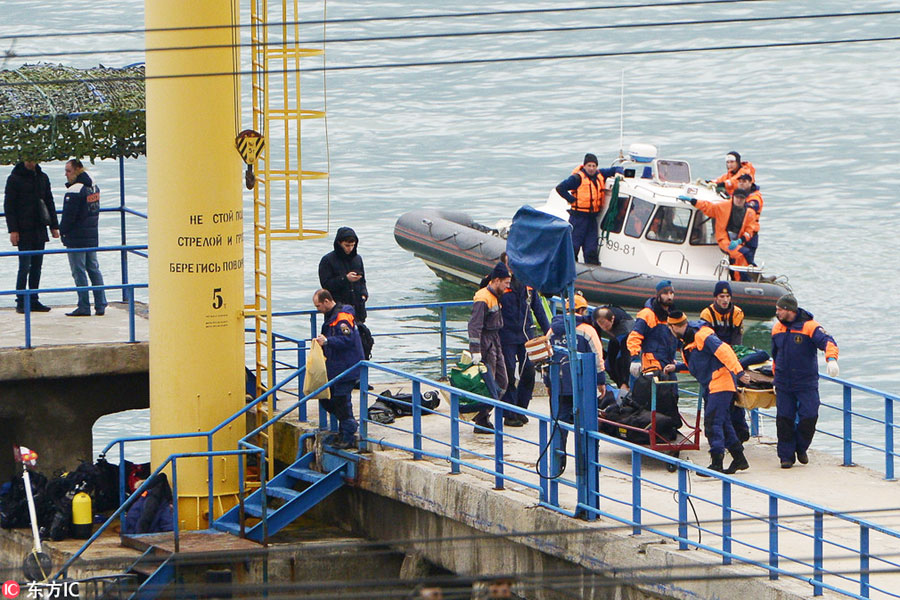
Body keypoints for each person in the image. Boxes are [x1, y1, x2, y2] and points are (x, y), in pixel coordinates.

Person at [669, 311, 751, 474]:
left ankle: (716, 463)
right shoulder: (687, 340)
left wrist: (739, 373)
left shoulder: (702, 335)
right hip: (713, 384)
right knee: (724, 423)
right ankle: (739, 459)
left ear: (673, 327)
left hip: (721, 382)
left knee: (713, 423)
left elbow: (725, 352)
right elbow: (698, 364)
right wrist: (677, 367)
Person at [771, 294, 839, 469]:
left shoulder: (810, 327)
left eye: (779, 309)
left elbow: (828, 342)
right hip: (783, 382)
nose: (776, 312)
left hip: (806, 382)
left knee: (809, 416)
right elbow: (775, 355)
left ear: (789, 310)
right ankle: (786, 457)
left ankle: (801, 447)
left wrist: (831, 359)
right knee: (784, 419)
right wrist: (774, 379)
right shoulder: (777, 328)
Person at [545, 292, 605, 472]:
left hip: (560, 386)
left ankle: (558, 460)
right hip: (583, 386)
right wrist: (600, 381)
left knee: (559, 424)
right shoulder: (587, 330)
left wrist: (549, 382)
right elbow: (597, 357)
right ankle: (588, 462)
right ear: (580, 310)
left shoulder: (552, 330)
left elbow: (546, 358)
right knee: (587, 425)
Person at [498, 254, 551, 427]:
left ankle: (521, 408)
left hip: (527, 334)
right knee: (508, 372)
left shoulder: (529, 283)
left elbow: (538, 309)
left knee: (528, 370)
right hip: (506, 334)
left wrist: (549, 331)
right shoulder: (500, 284)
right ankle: (509, 412)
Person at [4, 159, 59, 313]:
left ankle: (34, 299)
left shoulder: (42, 177)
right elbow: (9, 206)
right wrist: (13, 230)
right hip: (23, 228)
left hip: (39, 227)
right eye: (28, 159)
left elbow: (49, 201)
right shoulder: (14, 178)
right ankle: (21, 300)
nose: (31, 162)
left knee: (37, 266)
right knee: (24, 266)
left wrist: (54, 225)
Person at [313, 288, 364, 450]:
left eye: (318, 306)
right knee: (327, 399)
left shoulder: (342, 318)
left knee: (341, 401)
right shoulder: (331, 317)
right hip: (336, 366)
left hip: (347, 366)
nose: (317, 309)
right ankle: (345, 429)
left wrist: (327, 341)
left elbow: (347, 339)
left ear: (327, 301)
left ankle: (348, 433)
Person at [699, 280, 749, 441]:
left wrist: (734, 363)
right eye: (721, 296)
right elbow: (707, 340)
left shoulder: (737, 313)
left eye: (727, 296)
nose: (725, 300)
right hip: (713, 359)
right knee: (711, 397)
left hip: (731, 357)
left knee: (734, 397)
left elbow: (737, 341)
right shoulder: (706, 314)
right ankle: (713, 433)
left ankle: (740, 432)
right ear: (715, 298)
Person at [59, 159, 107, 317]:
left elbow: (69, 217)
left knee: (79, 271)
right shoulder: (93, 187)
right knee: (93, 268)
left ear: (78, 170)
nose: (66, 174)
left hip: (76, 237)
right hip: (92, 235)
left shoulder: (75, 190)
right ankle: (101, 303)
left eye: (69, 171)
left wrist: (62, 232)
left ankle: (84, 305)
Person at [467, 262, 511, 433]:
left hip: (495, 340)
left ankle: (482, 414)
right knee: (489, 384)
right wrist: (475, 350)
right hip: (486, 343)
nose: (508, 286)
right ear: (497, 280)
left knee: (503, 382)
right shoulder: (482, 297)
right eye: (506, 283)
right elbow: (474, 326)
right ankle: (482, 419)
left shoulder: (496, 296)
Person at [682, 189, 759, 281]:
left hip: (738, 241)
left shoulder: (750, 213)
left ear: (745, 199)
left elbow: (749, 231)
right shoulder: (723, 207)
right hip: (724, 239)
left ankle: (748, 277)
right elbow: (708, 207)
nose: (739, 200)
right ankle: (744, 278)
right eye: (737, 197)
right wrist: (693, 201)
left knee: (745, 254)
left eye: (741, 198)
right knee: (741, 253)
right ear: (733, 197)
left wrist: (740, 240)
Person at [555, 153, 618, 264]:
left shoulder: (600, 174)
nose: (592, 168)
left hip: (591, 219)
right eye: (589, 165)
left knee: (591, 247)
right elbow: (560, 188)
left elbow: (616, 168)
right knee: (574, 245)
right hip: (578, 218)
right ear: (584, 166)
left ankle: (592, 267)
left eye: (594, 166)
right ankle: (570, 266)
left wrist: (619, 173)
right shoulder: (577, 178)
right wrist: (572, 200)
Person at [318, 227, 372, 357]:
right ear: (339, 243)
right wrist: (345, 279)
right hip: (338, 312)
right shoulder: (327, 261)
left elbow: (362, 280)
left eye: (352, 245)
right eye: (347, 245)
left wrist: (364, 294)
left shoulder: (357, 259)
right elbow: (326, 285)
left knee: (360, 344)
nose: (350, 249)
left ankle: (359, 371)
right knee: (338, 345)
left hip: (357, 310)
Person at [592, 305, 634, 394]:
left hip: (625, 337)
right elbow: (596, 340)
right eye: (601, 324)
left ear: (612, 319)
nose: (603, 327)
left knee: (620, 362)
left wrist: (624, 381)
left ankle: (624, 386)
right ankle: (618, 384)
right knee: (607, 364)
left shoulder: (623, 328)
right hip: (614, 338)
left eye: (606, 326)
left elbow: (626, 355)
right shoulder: (596, 318)